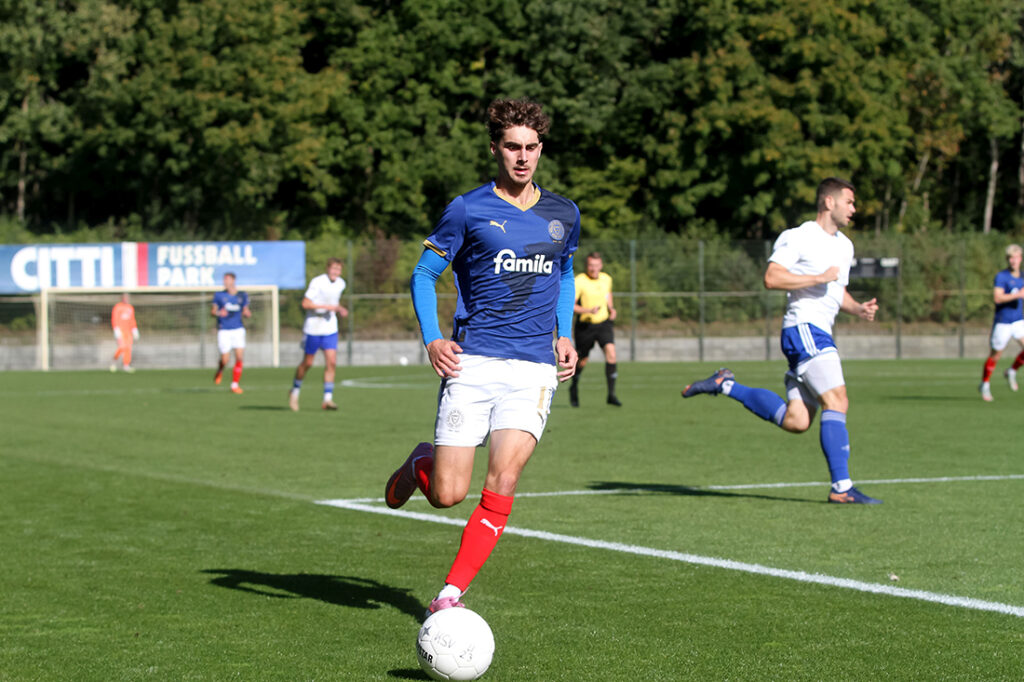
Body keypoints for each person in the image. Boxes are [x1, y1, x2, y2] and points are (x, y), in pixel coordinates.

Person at [383, 98, 580, 614]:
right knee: (448, 494)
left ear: (541, 149)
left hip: (535, 366)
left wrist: (565, 333)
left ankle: (449, 595)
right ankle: (421, 461)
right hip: (473, 363)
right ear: (495, 148)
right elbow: (424, 274)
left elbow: (565, 275)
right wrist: (432, 339)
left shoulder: (564, 213)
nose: (522, 157)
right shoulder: (467, 209)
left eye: (531, 148)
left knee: (505, 478)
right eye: (512, 147)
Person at [681, 177, 882, 504]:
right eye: (849, 202)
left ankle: (725, 385)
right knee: (838, 400)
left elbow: (836, 290)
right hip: (804, 328)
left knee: (797, 420)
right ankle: (842, 489)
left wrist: (857, 307)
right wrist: (817, 277)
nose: (854, 209)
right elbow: (772, 277)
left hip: (818, 331)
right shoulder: (799, 237)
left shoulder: (845, 246)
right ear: (829, 202)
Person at [289, 258, 348, 411]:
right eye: (334, 269)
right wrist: (326, 307)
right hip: (313, 328)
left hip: (330, 328)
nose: (336, 272)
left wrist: (340, 309)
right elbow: (305, 303)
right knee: (307, 363)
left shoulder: (341, 284)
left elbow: (334, 303)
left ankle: (327, 399)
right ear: (328, 268)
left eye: (339, 269)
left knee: (332, 362)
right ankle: (294, 391)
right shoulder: (317, 282)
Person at [569, 251, 621, 407]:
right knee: (582, 360)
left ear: (601, 265)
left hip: (604, 323)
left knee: (611, 353)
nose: (594, 269)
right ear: (587, 265)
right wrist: (588, 311)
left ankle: (611, 395)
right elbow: (572, 305)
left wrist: (611, 308)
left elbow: (608, 295)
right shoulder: (579, 281)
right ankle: (574, 386)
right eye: (591, 265)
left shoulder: (606, 279)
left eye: (596, 265)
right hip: (585, 325)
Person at [979, 244, 1024, 401]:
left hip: (1019, 320)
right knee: (996, 355)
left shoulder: (1023, 277)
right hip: (1003, 321)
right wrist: (1018, 294)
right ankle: (985, 384)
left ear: (1020, 258)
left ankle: (1012, 371)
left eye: (1016, 257)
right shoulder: (1002, 277)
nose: (1014, 260)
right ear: (1008, 259)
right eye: (1011, 257)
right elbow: (998, 298)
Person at [211, 272, 251, 394]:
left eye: (227, 280)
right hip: (224, 330)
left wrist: (247, 313)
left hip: (238, 329)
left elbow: (246, 310)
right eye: (224, 280)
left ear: (233, 280)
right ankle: (220, 370)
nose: (225, 282)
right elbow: (213, 312)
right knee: (225, 360)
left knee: (239, 357)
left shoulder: (242, 295)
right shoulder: (219, 295)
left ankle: (234, 385)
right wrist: (218, 313)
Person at [110, 293, 138, 373]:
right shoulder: (117, 307)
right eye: (125, 297)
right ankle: (114, 361)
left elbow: (132, 319)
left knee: (128, 348)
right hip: (120, 330)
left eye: (127, 297)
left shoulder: (130, 308)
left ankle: (126, 365)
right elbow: (114, 318)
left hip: (128, 331)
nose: (126, 299)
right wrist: (116, 329)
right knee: (122, 347)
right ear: (122, 298)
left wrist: (134, 329)